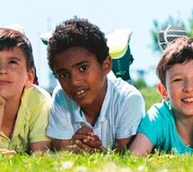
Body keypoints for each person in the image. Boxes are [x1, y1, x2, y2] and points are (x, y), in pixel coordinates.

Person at [46, 18, 145, 152]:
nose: (75, 82)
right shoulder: (61, 96)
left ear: (106, 65)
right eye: (63, 74)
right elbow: (61, 154)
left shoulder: (129, 99)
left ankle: (123, 64)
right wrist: (74, 149)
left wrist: (99, 152)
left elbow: (128, 159)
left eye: (83, 68)